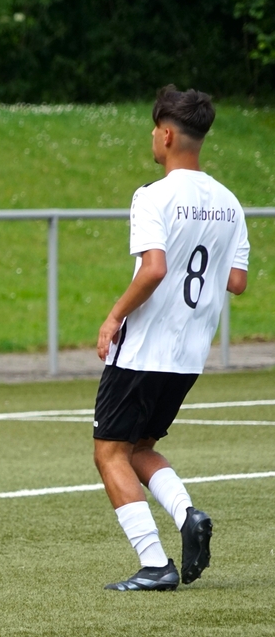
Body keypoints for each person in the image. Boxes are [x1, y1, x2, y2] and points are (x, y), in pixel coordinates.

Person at [93, 86, 249, 591]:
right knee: (140, 447)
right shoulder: (230, 203)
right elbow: (237, 281)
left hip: (143, 349)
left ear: (165, 134)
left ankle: (154, 563)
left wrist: (113, 316)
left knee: (109, 452)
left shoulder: (152, 196)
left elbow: (154, 268)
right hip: (188, 354)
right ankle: (187, 515)